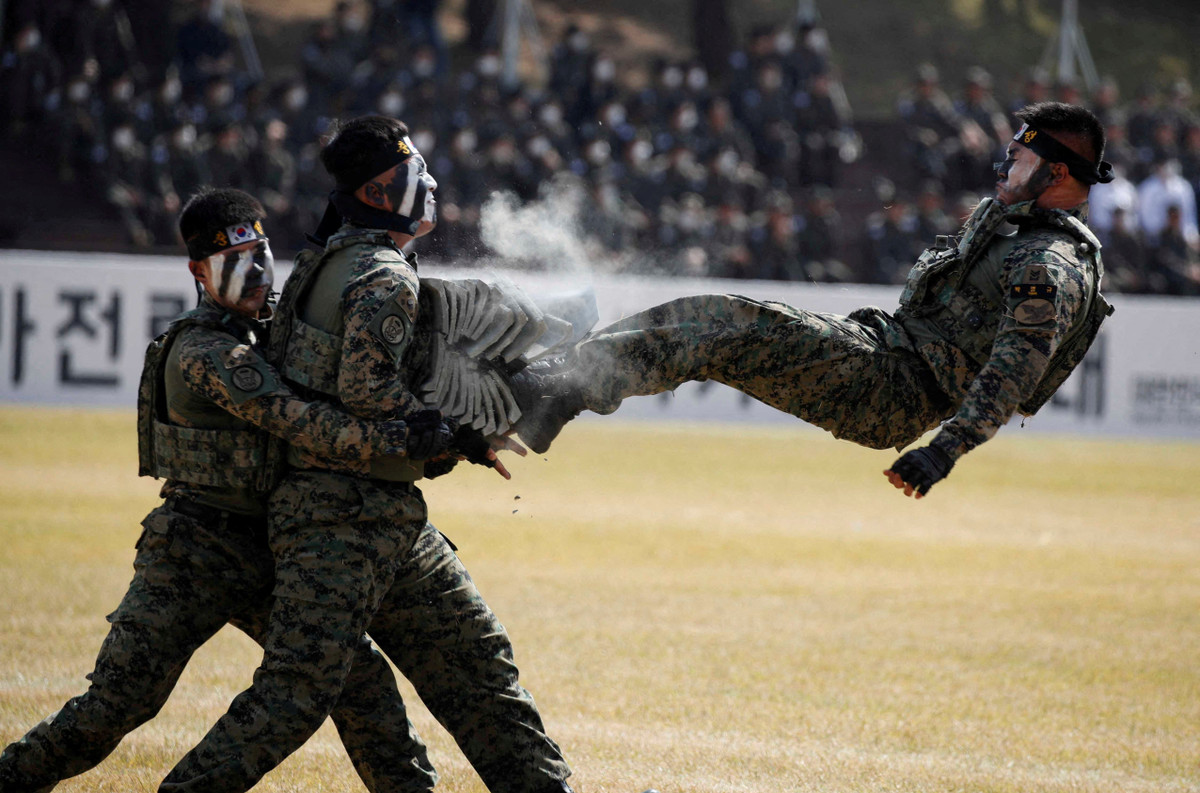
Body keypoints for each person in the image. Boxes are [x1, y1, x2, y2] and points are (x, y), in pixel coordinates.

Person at [159, 116, 577, 793]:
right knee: (295, 694)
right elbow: (367, 389)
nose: (431, 184)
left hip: (378, 513)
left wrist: (457, 429)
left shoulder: (332, 259)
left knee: (474, 663)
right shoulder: (382, 274)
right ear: (383, 190)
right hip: (338, 522)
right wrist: (452, 432)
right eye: (416, 172)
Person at [0, 187, 460, 792]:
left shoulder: (270, 330)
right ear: (197, 272)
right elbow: (302, 423)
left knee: (355, 681)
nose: (253, 277)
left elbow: (326, 267)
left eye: (262, 259)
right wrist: (406, 441)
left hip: (267, 550)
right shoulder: (203, 351)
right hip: (195, 554)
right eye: (233, 265)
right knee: (115, 707)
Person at [516, 102, 1116, 500]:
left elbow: (1012, 374)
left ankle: (556, 388)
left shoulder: (1048, 264)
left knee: (724, 324)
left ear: (1058, 174)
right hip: (880, 353)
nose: (1005, 163)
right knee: (712, 319)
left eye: (1021, 157)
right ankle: (561, 389)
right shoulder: (1011, 223)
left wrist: (944, 452)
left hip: (894, 391)